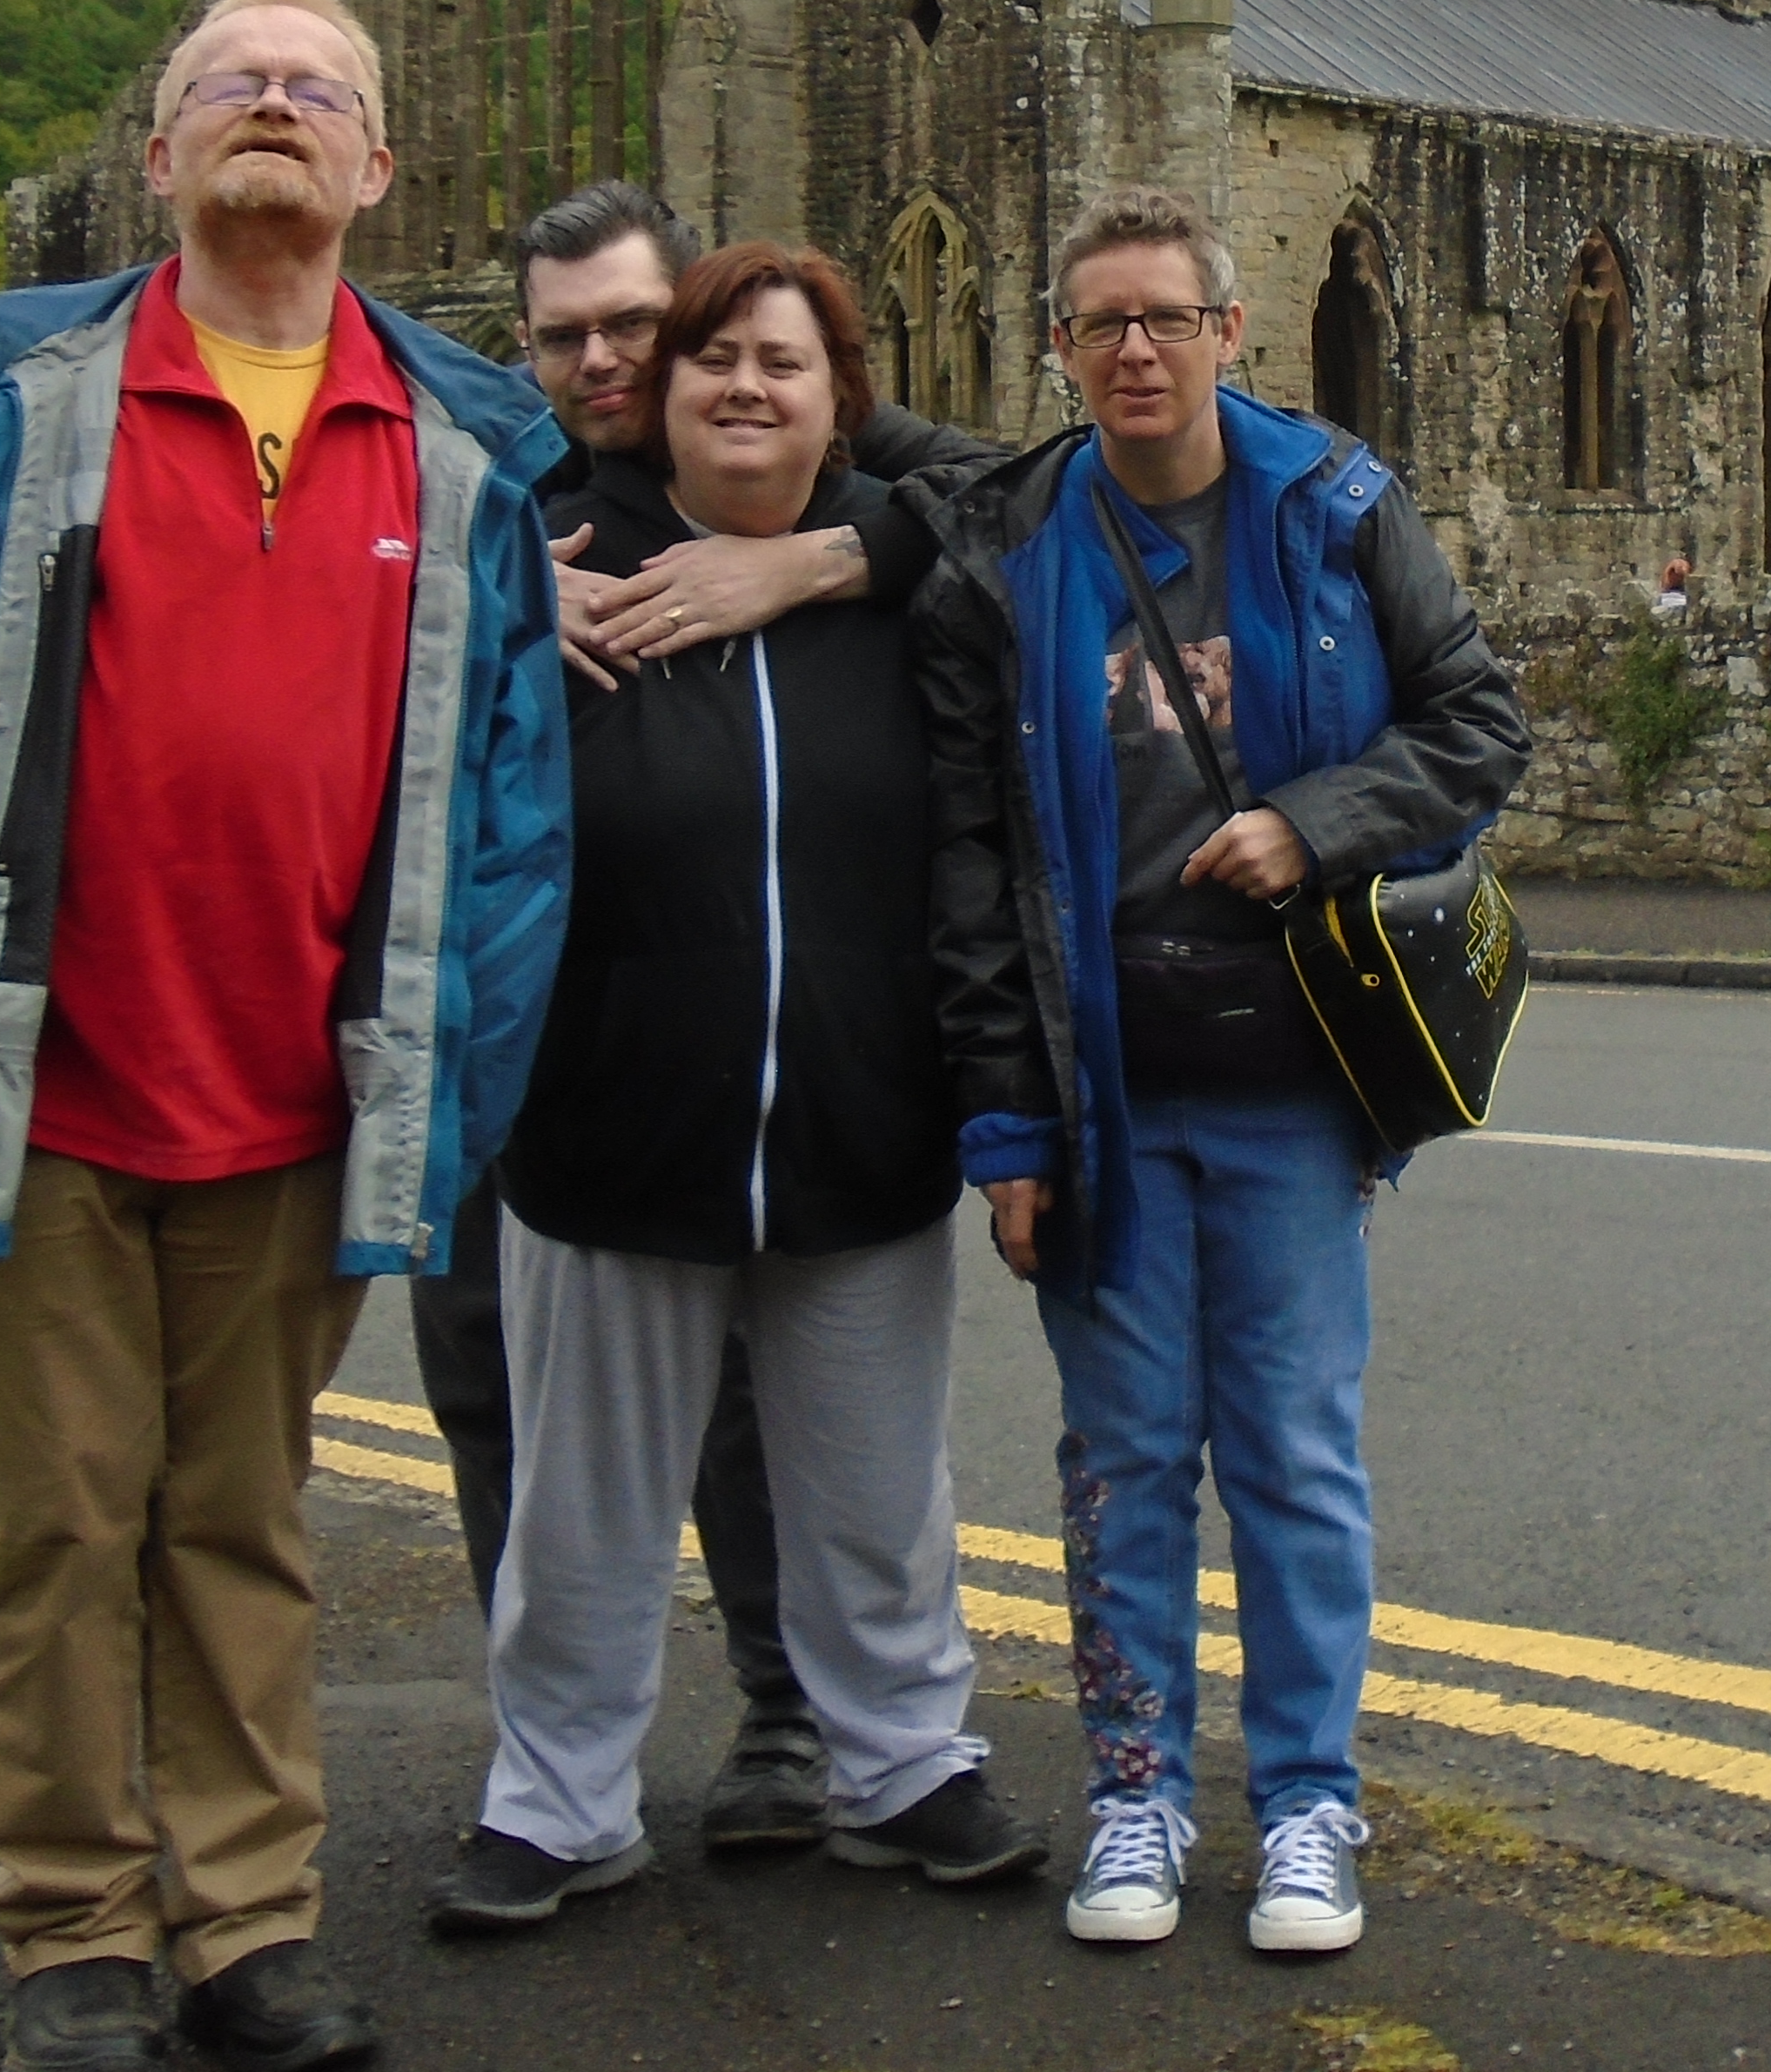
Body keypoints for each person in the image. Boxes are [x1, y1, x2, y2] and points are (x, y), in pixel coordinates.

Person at [0, 0, 571, 2072]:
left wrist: (454, 1077)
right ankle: (74, 1936)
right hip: (35, 1078)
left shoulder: (462, 451)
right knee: (55, 1526)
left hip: (302, 1094)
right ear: (159, 157)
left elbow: (515, 811)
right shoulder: (23, 408)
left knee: (241, 1525)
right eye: (231, 84)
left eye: (320, 90)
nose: (274, 108)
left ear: (378, 168)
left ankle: (246, 1927)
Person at [916, 186, 1526, 1957]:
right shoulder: (1008, 544)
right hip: (1099, 1089)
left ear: (1227, 332)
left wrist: (1313, 822)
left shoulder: (1330, 505)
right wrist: (1004, 1128)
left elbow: (1476, 724)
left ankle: (1308, 1807)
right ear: (1059, 345)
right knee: (1120, 1461)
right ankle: (1135, 1794)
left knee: (1291, 1458)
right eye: (1100, 323)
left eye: (1165, 319)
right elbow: (971, 863)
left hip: (1293, 1081)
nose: (1135, 350)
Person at [430, 245, 1050, 1939]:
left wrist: (821, 561)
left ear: (841, 396)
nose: (745, 388)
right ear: (663, 391)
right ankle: (556, 1800)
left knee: (877, 1495)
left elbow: (1049, 496)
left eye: (783, 361)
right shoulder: (555, 555)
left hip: (858, 1128)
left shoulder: (907, 569)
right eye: (712, 359)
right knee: (585, 1508)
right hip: (606, 1132)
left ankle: (900, 1767)